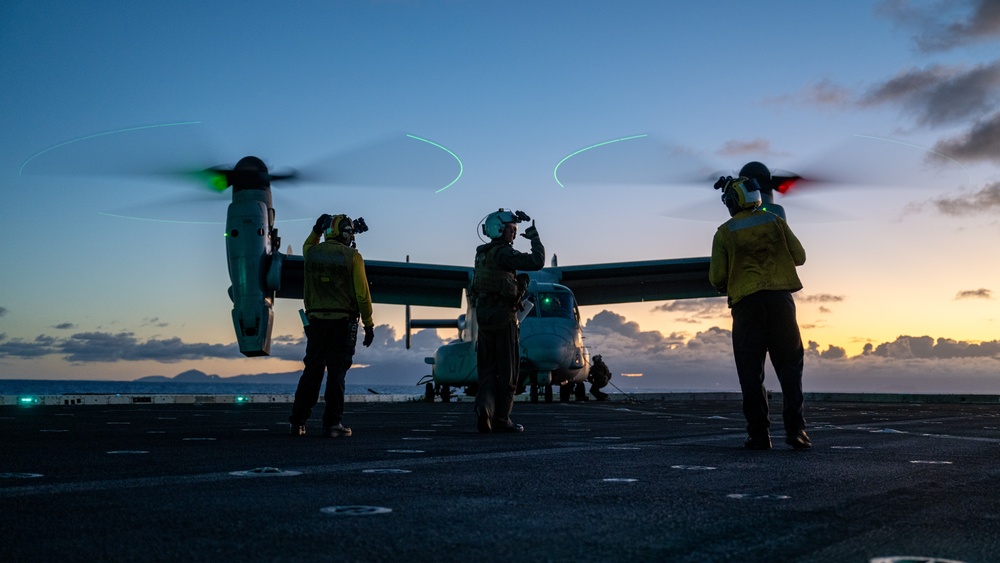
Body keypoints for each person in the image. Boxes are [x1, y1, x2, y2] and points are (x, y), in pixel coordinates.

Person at [708, 162, 811, 450]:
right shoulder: (776, 222)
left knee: (751, 373)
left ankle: (758, 434)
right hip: (781, 303)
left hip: (747, 307)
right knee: (790, 370)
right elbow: (800, 257)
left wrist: (727, 283)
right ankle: (797, 432)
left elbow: (716, 277)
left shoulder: (724, 233)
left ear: (731, 202)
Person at [289, 213, 375, 438]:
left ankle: (297, 423)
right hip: (342, 323)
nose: (351, 236)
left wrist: (316, 230)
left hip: (315, 322)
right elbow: (362, 295)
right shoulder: (353, 257)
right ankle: (333, 424)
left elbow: (308, 243)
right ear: (342, 233)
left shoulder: (311, 253)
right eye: (349, 232)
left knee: (312, 370)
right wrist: (369, 324)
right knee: (337, 373)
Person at [473, 209, 545, 433]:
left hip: (483, 318)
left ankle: (484, 411)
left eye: (515, 230)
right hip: (503, 318)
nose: (513, 234)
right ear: (499, 229)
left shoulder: (482, 255)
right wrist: (534, 237)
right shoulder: (503, 253)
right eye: (511, 229)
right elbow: (537, 261)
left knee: (486, 370)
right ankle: (502, 419)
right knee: (508, 370)